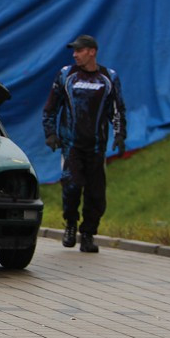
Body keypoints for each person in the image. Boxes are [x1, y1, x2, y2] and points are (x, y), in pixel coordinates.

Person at [42, 34, 127, 254]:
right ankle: (70, 224)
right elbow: (51, 107)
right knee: (72, 186)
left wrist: (120, 134)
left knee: (96, 193)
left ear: (92, 51)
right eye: (74, 51)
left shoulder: (108, 77)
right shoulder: (66, 75)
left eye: (79, 51)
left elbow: (117, 109)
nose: (75, 54)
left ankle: (88, 234)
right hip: (71, 145)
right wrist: (50, 134)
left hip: (97, 147)